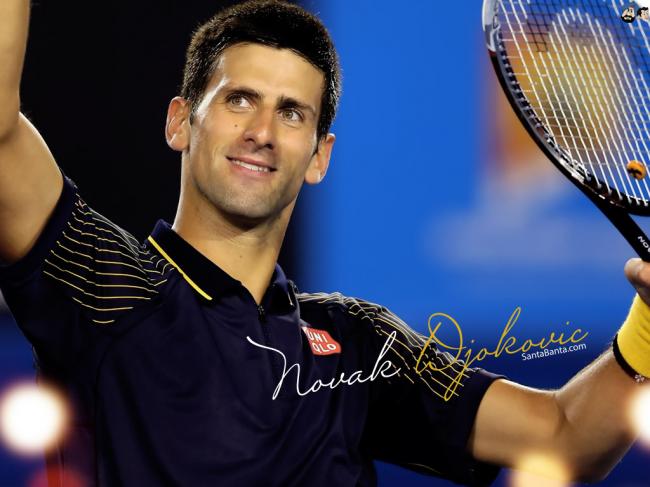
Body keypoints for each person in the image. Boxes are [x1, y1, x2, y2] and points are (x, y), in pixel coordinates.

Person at [0, 0, 649, 485]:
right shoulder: (104, 281)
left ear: (319, 156)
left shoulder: (359, 343)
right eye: (239, 100)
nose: (262, 131)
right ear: (180, 123)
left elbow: (564, 437)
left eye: (291, 113)